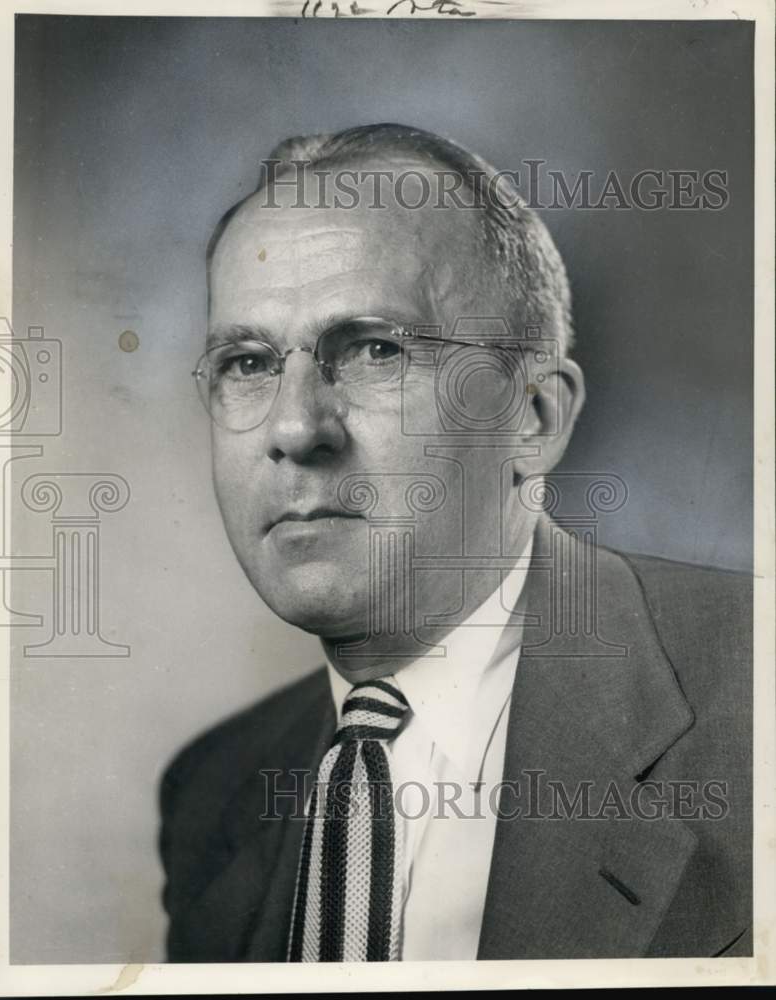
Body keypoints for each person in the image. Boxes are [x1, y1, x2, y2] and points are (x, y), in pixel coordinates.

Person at [158, 123, 752, 962]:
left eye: (372, 349)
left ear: (535, 418)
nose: (294, 428)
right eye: (248, 363)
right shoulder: (211, 794)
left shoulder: (752, 691)